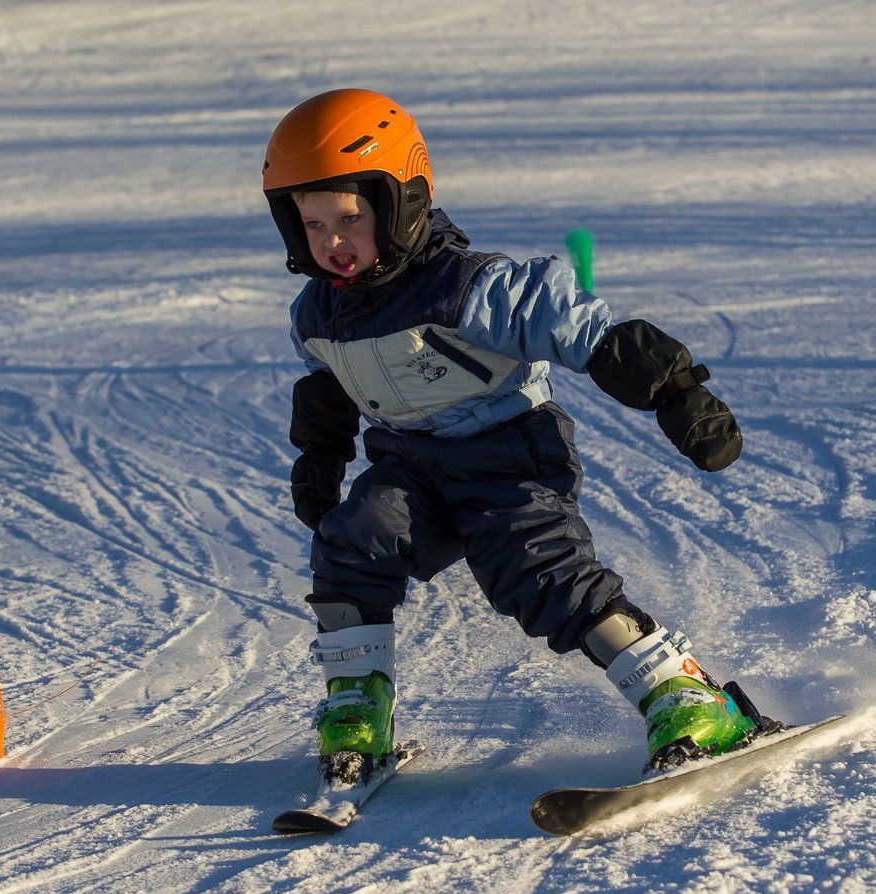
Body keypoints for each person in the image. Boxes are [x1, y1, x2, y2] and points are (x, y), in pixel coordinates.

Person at [262, 88, 766, 776]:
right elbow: (326, 385)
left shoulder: (468, 287)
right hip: (409, 465)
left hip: (508, 454)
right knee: (353, 541)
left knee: (535, 569)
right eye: (312, 225)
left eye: (348, 217)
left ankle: (685, 692)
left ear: (400, 199)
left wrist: (677, 391)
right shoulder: (318, 313)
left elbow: (580, 326)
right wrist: (318, 459)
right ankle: (358, 708)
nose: (332, 242)